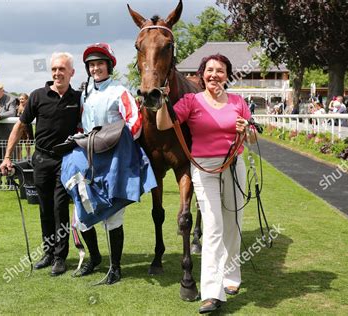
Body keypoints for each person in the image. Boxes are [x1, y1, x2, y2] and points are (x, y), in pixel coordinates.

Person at [156, 54, 251, 314]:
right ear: (202, 75)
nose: (214, 75)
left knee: (233, 222)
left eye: (220, 70)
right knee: (212, 227)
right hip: (204, 169)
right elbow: (164, 123)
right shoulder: (192, 101)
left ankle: (232, 276)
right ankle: (211, 292)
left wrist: (246, 130)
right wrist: (163, 101)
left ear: (227, 75)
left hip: (233, 165)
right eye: (209, 70)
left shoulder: (238, 102)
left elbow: (252, 138)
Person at [0, 52, 81, 276]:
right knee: (44, 208)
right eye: (54, 69)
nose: (57, 73)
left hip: (66, 161)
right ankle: (47, 252)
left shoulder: (78, 98)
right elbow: (20, 126)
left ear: (71, 73)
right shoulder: (37, 96)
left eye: (62, 69)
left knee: (59, 207)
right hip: (41, 160)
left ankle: (59, 257)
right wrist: (7, 156)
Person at [73, 43, 142, 285]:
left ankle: (116, 267)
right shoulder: (85, 94)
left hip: (113, 159)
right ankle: (94, 258)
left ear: (109, 65)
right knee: (81, 212)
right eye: (91, 65)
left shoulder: (120, 91)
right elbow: (82, 125)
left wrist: (115, 145)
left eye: (99, 64)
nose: (95, 68)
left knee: (113, 214)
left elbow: (134, 123)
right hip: (89, 157)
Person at [16, 93, 34, 160]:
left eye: (22, 99)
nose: (21, 100)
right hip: (19, 128)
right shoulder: (17, 107)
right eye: (20, 99)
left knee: (27, 142)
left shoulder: (29, 107)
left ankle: (28, 157)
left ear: (27, 100)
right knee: (19, 143)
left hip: (27, 127)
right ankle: (19, 158)